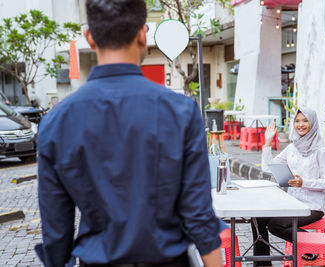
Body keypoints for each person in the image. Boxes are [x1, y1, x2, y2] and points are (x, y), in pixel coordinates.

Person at [35, 0, 225, 266]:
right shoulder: (181, 112)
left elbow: (56, 232)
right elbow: (198, 216)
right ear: (142, 33)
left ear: (89, 36)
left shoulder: (56, 121)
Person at [251, 107, 325, 267]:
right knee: (257, 218)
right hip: (291, 204)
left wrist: (304, 182)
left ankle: (313, 247)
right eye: (297, 121)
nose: (300, 125)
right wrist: (267, 143)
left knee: (276, 225)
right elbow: (267, 168)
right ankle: (262, 264)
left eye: (305, 121)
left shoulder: (321, 150)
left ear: (313, 123)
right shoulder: (292, 148)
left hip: (311, 207)